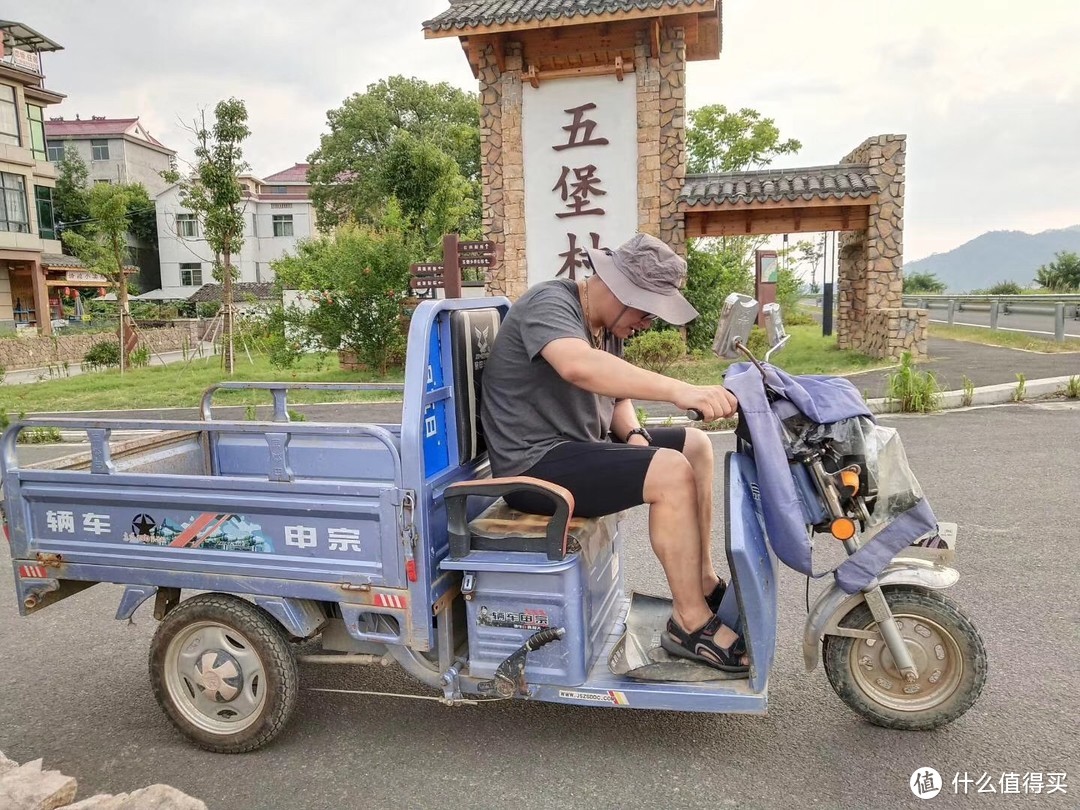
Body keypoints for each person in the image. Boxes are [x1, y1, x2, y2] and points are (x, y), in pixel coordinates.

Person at [479, 233, 748, 672]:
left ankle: (701, 578)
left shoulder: (605, 324)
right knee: (670, 472)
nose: (648, 323)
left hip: (579, 449)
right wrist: (681, 390)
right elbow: (579, 366)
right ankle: (688, 621)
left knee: (695, 445)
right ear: (619, 290)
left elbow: (616, 393)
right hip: (533, 467)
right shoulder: (550, 303)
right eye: (646, 310)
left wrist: (636, 434)